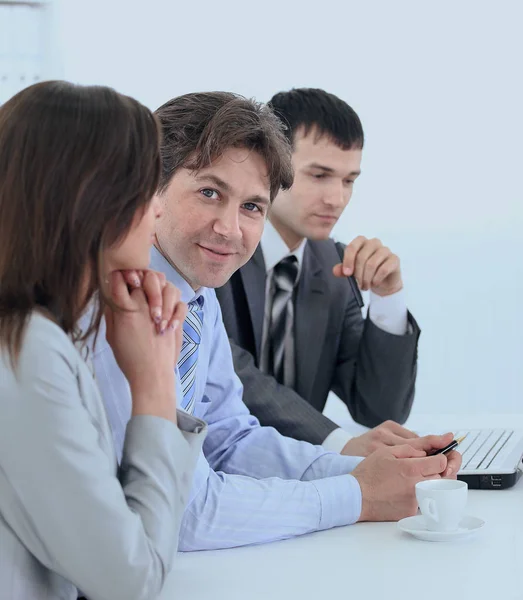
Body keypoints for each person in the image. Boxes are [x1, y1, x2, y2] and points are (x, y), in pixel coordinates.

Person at [91, 91, 462, 552]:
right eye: (210, 192)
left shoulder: (197, 298)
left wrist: (375, 474)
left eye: (252, 206)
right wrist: (359, 495)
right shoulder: (120, 303)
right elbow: (181, 512)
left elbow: (230, 439)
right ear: (151, 189)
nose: (230, 228)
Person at [0, 81, 206, 600]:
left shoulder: (43, 334)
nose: (156, 211)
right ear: (91, 199)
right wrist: (155, 385)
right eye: (144, 188)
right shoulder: (29, 349)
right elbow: (130, 578)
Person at [216, 87, 421, 457]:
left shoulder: (333, 267)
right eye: (319, 175)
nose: (337, 199)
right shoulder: (217, 244)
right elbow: (226, 371)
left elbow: (378, 408)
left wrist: (389, 298)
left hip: (303, 481)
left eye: (348, 180)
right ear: (271, 164)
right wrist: (339, 444)